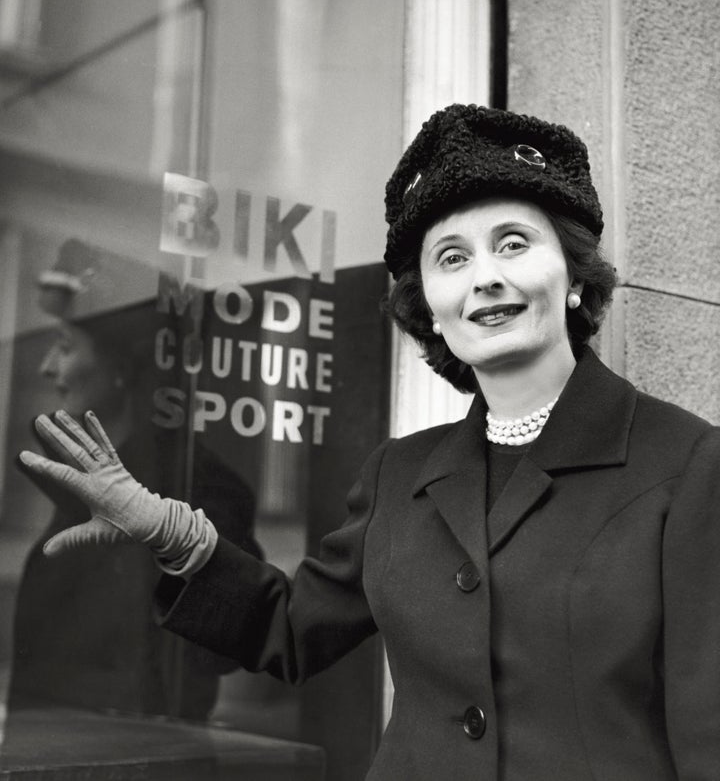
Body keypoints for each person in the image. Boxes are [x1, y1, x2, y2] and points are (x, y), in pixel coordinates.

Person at [16, 105, 720, 779]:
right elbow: (287, 631)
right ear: (432, 310)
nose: (485, 277)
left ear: (572, 276)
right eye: (451, 258)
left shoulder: (688, 466)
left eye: (513, 243)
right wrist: (171, 533)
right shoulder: (399, 474)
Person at [9, 239, 261, 720]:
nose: (47, 367)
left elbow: (230, 643)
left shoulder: (200, 486)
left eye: (65, 347)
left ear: (121, 367)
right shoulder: (70, 482)